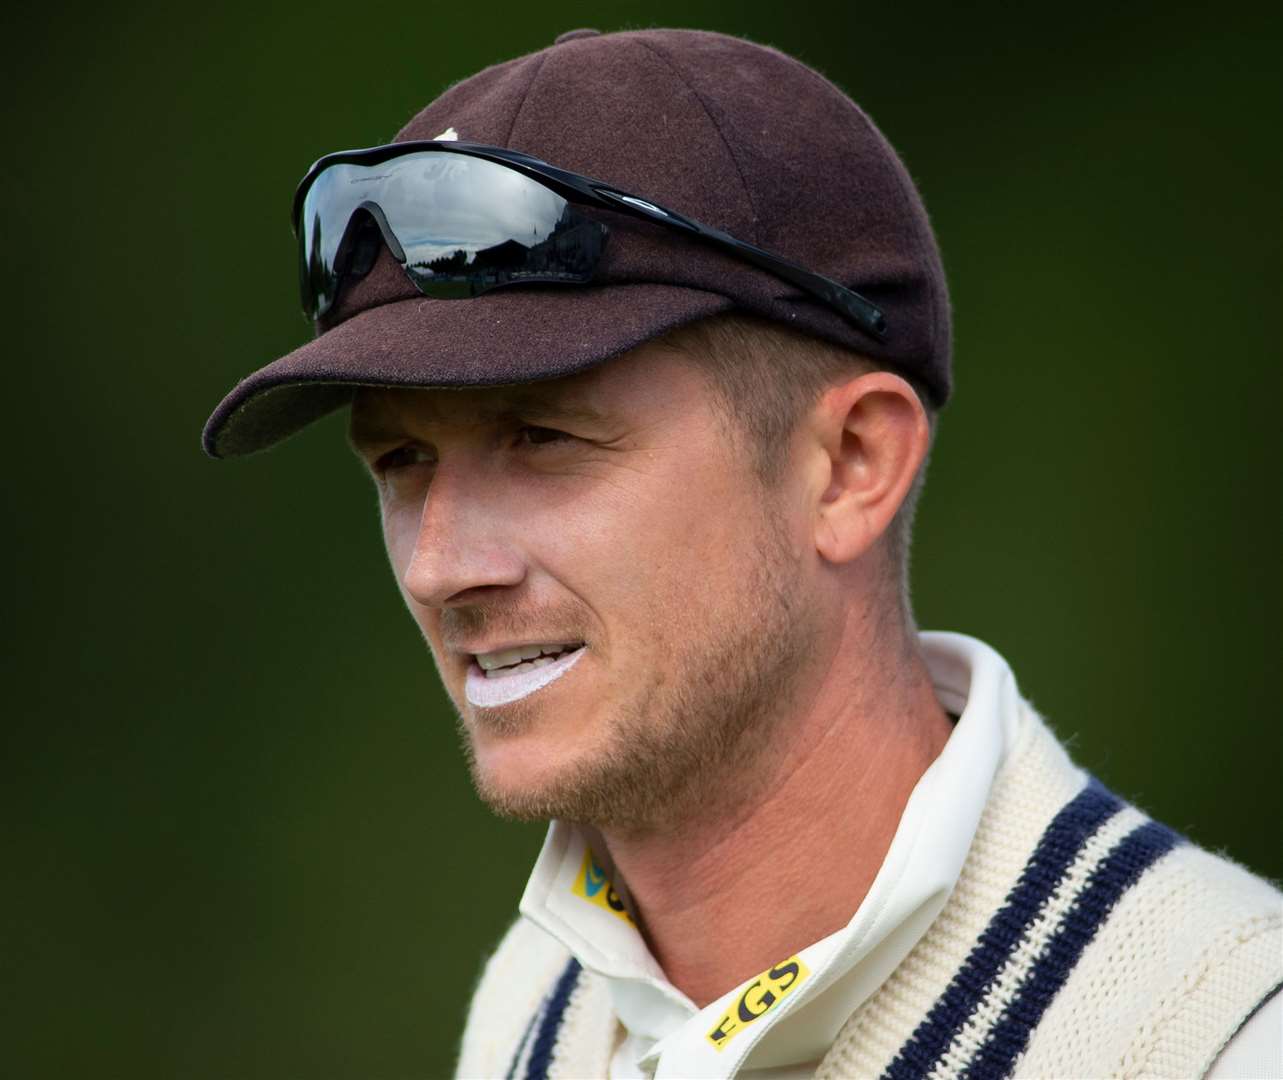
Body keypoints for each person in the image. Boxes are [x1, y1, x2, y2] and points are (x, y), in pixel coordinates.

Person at [203, 28, 1281, 1080]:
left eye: (542, 438)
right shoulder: (533, 1010)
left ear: (850, 465)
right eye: (399, 460)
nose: (440, 566)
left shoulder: (1218, 1035)